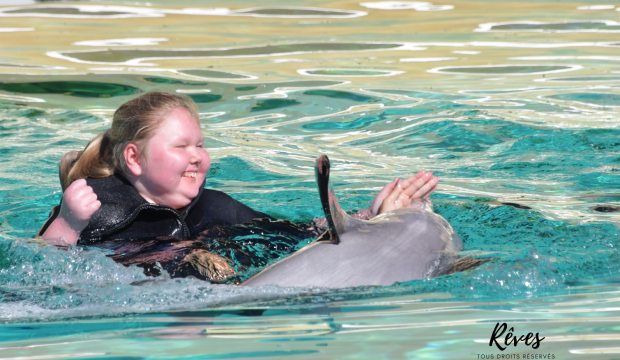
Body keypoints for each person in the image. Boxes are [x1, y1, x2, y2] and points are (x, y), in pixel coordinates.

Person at [38, 92, 439, 246]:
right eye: (181, 146)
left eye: (201, 145)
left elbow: (292, 234)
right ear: (134, 159)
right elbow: (38, 265)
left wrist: (370, 217)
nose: (197, 156)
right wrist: (69, 224)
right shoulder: (99, 207)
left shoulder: (218, 208)